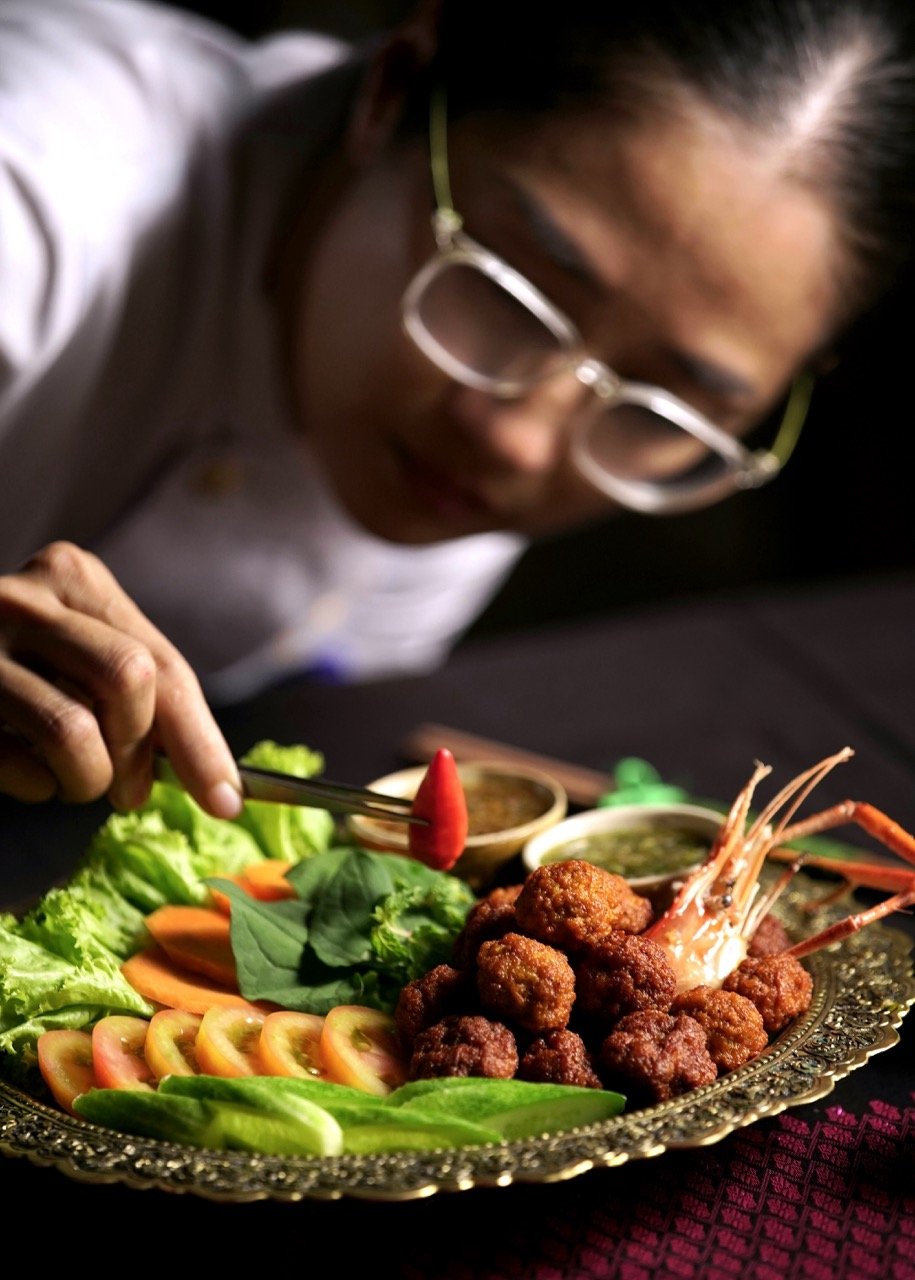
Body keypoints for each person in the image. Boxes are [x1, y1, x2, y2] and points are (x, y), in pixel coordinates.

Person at [0, 0, 912, 820]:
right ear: (391, 94)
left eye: (669, 400)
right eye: (509, 297)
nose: (516, 439)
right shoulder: (40, 187)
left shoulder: (503, 419)